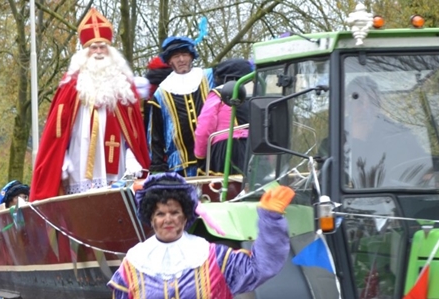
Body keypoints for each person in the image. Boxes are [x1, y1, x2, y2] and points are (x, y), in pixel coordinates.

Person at [28, 7, 150, 201]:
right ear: (85, 51)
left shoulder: (123, 85)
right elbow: (57, 131)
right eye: (94, 47)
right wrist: (62, 157)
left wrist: (132, 156)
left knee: (115, 200)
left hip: (118, 163)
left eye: (103, 47)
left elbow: (133, 130)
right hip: (79, 158)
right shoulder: (70, 86)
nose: (99, 52)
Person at [107, 173, 293, 298]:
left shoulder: (211, 256)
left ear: (186, 215)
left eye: (174, 212)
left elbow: (259, 269)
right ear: (151, 218)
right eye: (160, 214)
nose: (168, 220)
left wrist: (271, 221)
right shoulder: (134, 263)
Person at [145, 36, 217, 176]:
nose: (181, 60)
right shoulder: (161, 93)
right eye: (176, 56)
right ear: (170, 61)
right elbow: (155, 135)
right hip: (180, 165)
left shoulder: (209, 77)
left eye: (185, 55)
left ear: (191, 56)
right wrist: (157, 166)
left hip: (213, 157)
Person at [194, 58, 254, 175]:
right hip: (253, 149)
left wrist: (200, 156)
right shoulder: (258, 95)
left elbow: (205, 127)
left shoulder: (218, 94)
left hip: (226, 149)